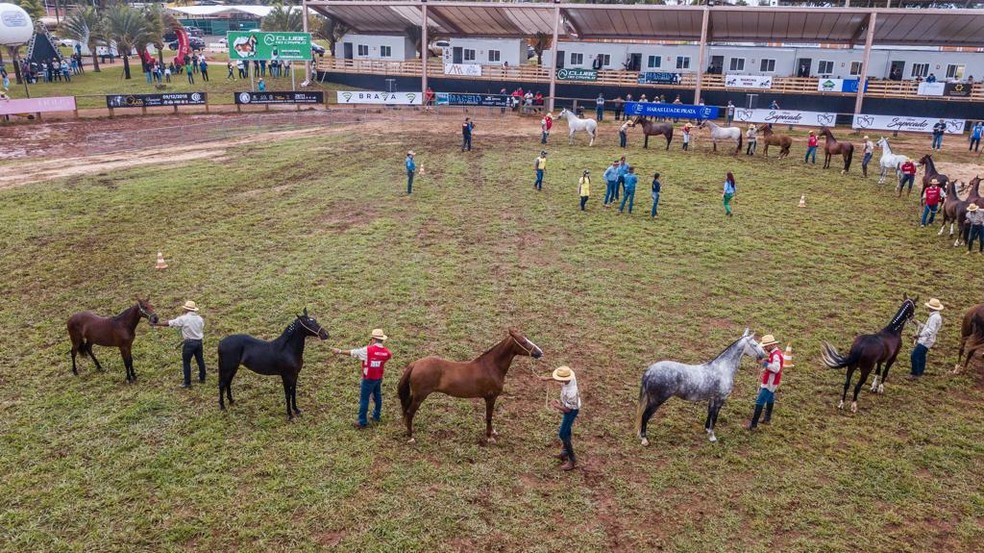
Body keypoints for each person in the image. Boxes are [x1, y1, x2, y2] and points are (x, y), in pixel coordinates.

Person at [332, 329, 392, 428]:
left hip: (368, 378)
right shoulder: (387, 353)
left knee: (364, 399)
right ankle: (376, 416)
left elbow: (353, 353)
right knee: (377, 396)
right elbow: (387, 357)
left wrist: (339, 351)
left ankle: (362, 421)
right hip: (378, 378)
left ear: (373, 339)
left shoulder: (367, 350)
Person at [152, 301, 206, 388]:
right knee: (200, 360)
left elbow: (169, 323)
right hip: (199, 342)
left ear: (186, 309)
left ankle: (187, 383)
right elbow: (201, 327)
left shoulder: (183, 319)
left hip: (189, 343)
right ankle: (202, 378)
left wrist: (156, 324)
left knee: (186, 362)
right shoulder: (200, 319)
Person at [538, 366, 581, 471]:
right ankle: (565, 452)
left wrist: (556, 405)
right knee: (567, 430)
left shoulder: (572, 392)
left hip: (572, 411)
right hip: (569, 407)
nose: (559, 380)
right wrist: (548, 378)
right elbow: (560, 378)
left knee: (563, 433)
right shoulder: (570, 376)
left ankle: (572, 460)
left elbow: (567, 410)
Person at [745, 334, 782, 430]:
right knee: (770, 398)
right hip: (772, 381)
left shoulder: (776, 355)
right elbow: (773, 363)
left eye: (766, 346)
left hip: (770, 382)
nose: (765, 348)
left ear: (771, 345)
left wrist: (764, 363)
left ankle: (753, 425)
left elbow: (776, 368)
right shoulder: (776, 353)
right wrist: (767, 360)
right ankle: (767, 418)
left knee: (759, 401)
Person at [909, 299, 944, 380]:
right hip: (929, 340)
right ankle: (920, 372)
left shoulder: (934, 317)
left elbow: (930, 330)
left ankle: (915, 374)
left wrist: (919, 335)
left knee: (914, 355)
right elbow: (928, 327)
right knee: (921, 356)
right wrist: (918, 323)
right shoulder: (936, 316)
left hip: (926, 340)